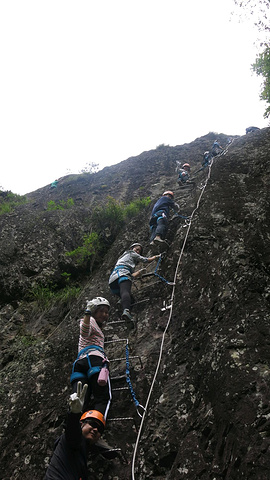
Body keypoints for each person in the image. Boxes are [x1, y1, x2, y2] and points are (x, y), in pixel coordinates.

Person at [44, 382, 109, 480]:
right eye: (93, 424)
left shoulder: (81, 452)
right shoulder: (73, 440)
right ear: (81, 424)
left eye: (100, 429)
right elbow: (72, 429)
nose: (96, 429)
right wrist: (75, 413)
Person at [70, 297, 112, 418]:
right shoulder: (89, 320)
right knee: (103, 398)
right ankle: (96, 426)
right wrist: (87, 312)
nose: (104, 314)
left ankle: (74, 428)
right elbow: (84, 331)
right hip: (94, 360)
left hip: (80, 364)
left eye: (106, 312)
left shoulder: (93, 323)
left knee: (79, 402)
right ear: (94, 311)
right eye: (101, 311)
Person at [109, 243, 160, 322]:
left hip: (113, 280)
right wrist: (155, 257)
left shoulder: (122, 259)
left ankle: (126, 312)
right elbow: (145, 260)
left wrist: (139, 272)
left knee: (130, 299)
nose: (138, 251)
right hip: (122, 275)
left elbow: (131, 276)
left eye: (139, 251)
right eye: (136, 249)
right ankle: (126, 310)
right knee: (126, 292)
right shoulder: (131, 253)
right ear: (131, 248)